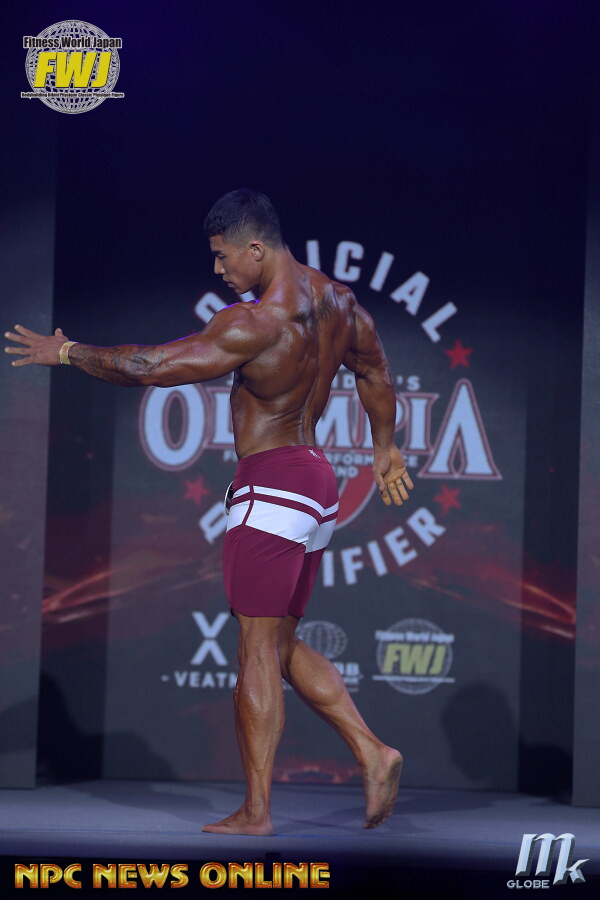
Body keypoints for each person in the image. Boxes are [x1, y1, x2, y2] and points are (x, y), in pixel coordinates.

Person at [4, 188, 414, 836]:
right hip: (316, 482)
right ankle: (372, 751)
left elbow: (149, 366)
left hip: (272, 482)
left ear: (256, 248)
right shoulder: (340, 303)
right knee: (279, 644)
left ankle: (257, 810)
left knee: (255, 651)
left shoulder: (254, 324)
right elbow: (376, 372)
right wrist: (384, 446)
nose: (218, 269)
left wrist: (68, 352)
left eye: (224, 257)